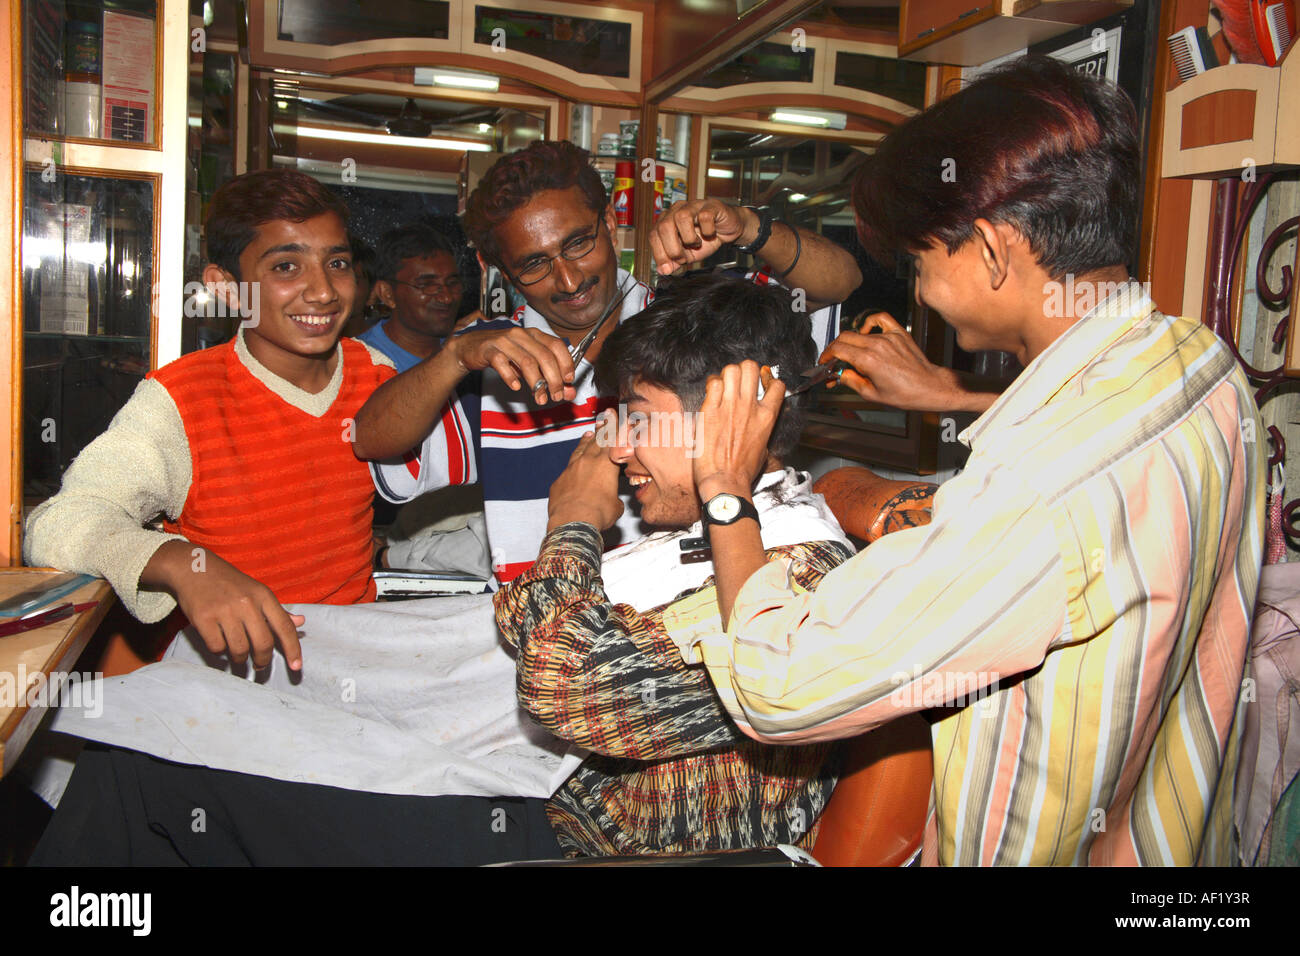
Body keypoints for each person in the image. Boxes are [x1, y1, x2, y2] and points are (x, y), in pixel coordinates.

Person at [32, 274, 857, 864]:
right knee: (168, 719)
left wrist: (572, 521)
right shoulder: (724, 530)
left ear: (728, 416)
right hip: (536, 774)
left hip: (567, 825)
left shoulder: (791, 572)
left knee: (143, 782)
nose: (620, 448)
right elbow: (517, 620)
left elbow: (565, 688)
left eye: (636, 420)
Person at [667, 56, 1266, 866]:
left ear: (989, 249)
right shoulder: (1201, 360)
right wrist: (953, 393)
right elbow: (1104, 450)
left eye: (920, 263)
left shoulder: (1030, 499)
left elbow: (781, 692)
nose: (920, 292)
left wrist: (726, 489)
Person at [353, 138, 861, 584]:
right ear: (498, 269)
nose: (569, 280)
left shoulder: (692, 318)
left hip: (693, 618)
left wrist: (751, 227)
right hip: (549, 633)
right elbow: (371, 440)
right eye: (533, 264)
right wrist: (454, 359)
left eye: (578, 243)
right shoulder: (490, 361)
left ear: (610, 225)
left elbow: (839, 282)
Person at [24, 169, 398, 672]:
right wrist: (184, 565)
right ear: (226, 288)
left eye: (337, 263)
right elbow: (58, 523)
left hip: (353, 661)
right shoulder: (180, 400)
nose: (324, 291)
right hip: (232, 674)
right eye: (286, 266)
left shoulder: (375, 374)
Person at [355, 224, 489, 577]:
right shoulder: (359, 363)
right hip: (381, 547)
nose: (444, 296)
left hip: (458, 547)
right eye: (426, 285)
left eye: (452, 283)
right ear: (387, 293)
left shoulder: (471, 359)